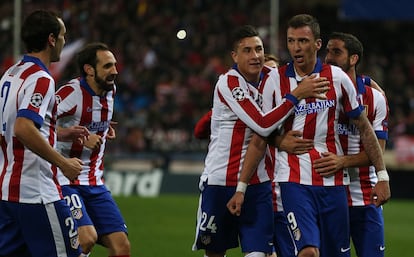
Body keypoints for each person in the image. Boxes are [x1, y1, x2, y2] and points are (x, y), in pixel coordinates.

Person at [227, 14, 390, 257]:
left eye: (302, 41)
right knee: (308, 252)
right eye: (291, 41)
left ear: (317, 44)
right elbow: (262, 129)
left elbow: (364, 127)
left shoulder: (337, 78)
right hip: (293, 181)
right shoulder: (274, 79)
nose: (295, 47)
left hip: (334, 182)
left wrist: (383, 175)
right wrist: (280, 141)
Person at [191, 24, 330, 257]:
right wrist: (296, 96)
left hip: (258, 183)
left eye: (259, 49)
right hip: (220, 181)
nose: (255, 56)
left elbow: (308, 74)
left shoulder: (272, 77)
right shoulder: (229, 83)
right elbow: (263, 124)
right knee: (215, 252)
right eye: (247, 50)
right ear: (234, 56)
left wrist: (365, 84)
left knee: (258, 253)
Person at [0, 10, 83, 257]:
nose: (64, 41)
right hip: (36, 194)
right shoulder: (42, 79)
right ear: (51, 39)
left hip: (7, 193)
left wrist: (59, 133)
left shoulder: (10, 74)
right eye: (63, 36)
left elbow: (13, 124)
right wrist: (64, 163)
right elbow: (24, 127)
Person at [313, 32, 389, 257]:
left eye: (336, 52)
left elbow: (378, 153)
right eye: (327, 51)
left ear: (353, 59)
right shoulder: (316, 93)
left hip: (366, 195)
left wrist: (341, 161)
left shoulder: (374, 98)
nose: (328, 58)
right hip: (330, 193)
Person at [56, 42, 130, 257]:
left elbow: (91, 120)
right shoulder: (71, 92)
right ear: (89, 69)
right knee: (86, 239)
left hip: (95, 183)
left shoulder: (110, 91)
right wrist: (75, 135)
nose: (114, 71)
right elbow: (37, 126)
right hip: (65, 179)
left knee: (122, 248)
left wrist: (104, 130)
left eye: (114, 65)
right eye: (107, 66)